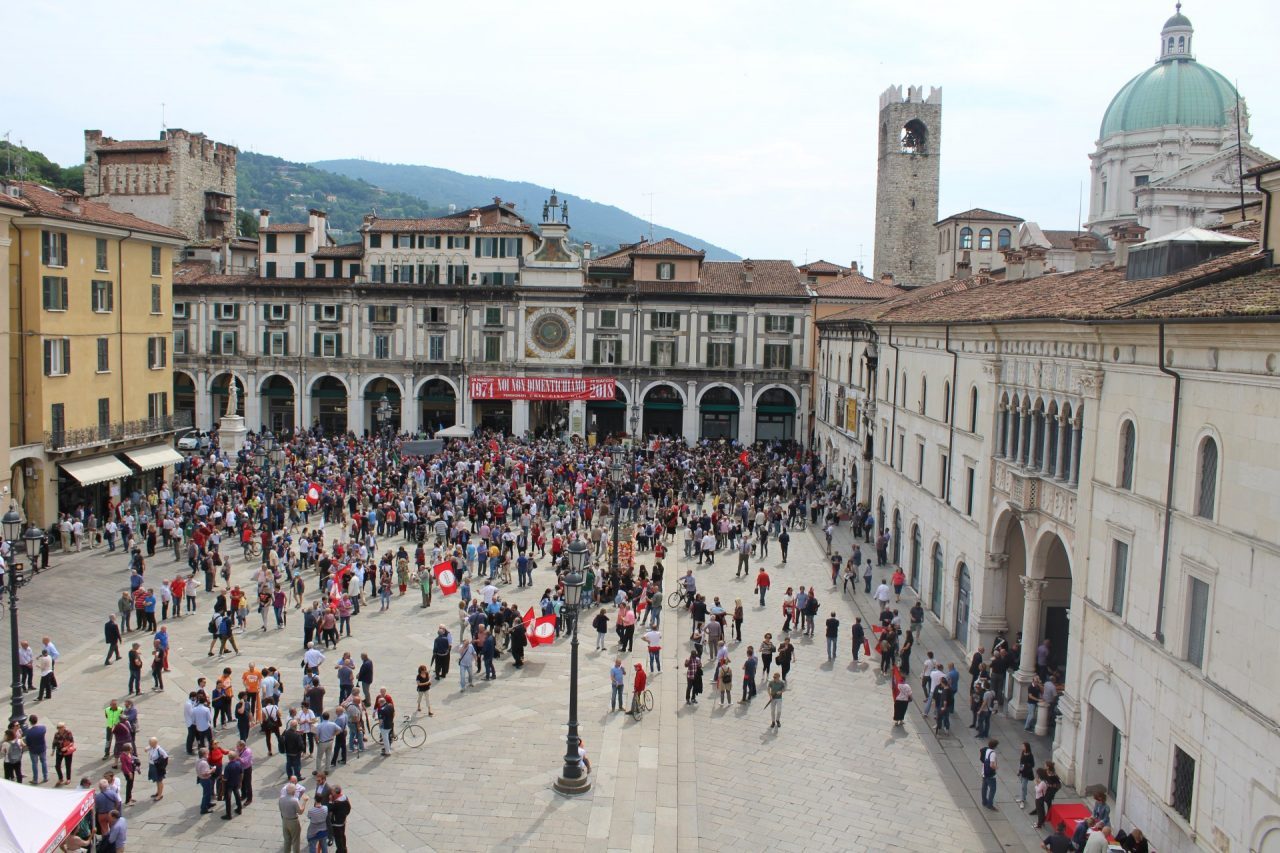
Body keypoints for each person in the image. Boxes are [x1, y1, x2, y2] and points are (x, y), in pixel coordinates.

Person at [279, 781, 307, 853]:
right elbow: (300, 812)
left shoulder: (281, 799)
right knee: (295, 840)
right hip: (293, 821)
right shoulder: (294, 800)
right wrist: (304, 802)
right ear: (293, 792)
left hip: (285, 821)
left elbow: (280, 809)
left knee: (287, 840)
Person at [326, 784, 351, 853]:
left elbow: (328, 809)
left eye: (332, 792)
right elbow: (349, 808)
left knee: (338, 839)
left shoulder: (336, 803)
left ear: (335, 792)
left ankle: (340, 850)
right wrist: (344, 816)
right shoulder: (345, 797)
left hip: (336, 824)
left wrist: (330, 801)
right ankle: (344, 849)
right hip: (342, 821)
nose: (331, 793)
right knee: (342, 836)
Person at [305, 789, 329, 853]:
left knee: (312, 847)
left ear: (315, 800)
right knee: (324, 846)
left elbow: (309, 817)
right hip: (323, 830)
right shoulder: (325, 808)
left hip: (313, 832)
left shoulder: (311, 810)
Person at [51, 722, 74, 786]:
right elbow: (54, 742)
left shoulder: (68, 733)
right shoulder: (56, 734)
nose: (58, 729)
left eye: (60, 728)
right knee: (57, 766)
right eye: (58, 728)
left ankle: (68, 779)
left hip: (67, 752)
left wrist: (66, 747)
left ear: (64, 727)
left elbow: (72, 742)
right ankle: (60, 778)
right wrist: (53, 751)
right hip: (59, 752)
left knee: (68, 765)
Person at [979, 738, 999, 810]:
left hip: (984, 771)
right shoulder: (993, 753)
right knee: (993, 789)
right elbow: (991, 765)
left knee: (984, 787)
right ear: (995, 746)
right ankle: (990, 804)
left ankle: (984, 801)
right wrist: (996, 767)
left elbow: (981, 751)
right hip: (990, 774)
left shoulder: (987, 750)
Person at [1017, 742, 1035, 808]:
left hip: (1027, 773)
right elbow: (1021, 763)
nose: (1022, 747)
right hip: (1022, 772)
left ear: (1026, 747)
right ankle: (1023, 797)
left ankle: (1022, 801)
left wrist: (1027, 765)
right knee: (1023, 786)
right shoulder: (1023, 753)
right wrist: (1019, 771)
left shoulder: (1030, 755)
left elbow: (1033, 764)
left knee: (1023, 787)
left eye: (1023, 746)